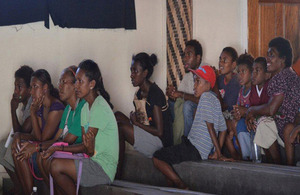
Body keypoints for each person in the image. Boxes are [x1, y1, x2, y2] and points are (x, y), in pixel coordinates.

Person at [44, 59, 118, 194]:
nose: (76, 86)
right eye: (75, 81)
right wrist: (58, 148)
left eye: (80, 81)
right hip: (90, 159)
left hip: (103, 168)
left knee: (55, 165)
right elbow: (87, 148)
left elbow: (87, 148)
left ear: (92, 84)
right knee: (51, 162)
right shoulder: (84, 108)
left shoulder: (99, 107)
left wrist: (59, 147)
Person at [153, 65, 230, 189]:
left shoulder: (205, 97)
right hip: (197, 149)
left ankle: (181, 185)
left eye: (198, 81)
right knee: (167, 158)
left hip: (194, 148)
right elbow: (223, 129)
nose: (194, 85)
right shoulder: (215, 100)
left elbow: (210, 127)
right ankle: (172, 188)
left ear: (208, 84)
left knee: (157, 158)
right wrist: (216, 152)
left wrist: (219, 154)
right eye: (194, 80)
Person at [115, 52, 173, 178]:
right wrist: (137, 121)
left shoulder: (155, 94)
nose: (131, 75)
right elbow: (146, 120)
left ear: (145, 73)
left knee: (121, 129)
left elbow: (159, 132)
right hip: (148, 134)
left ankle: (117, 173)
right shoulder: (140, 93)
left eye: (135, 71)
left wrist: (135, 124)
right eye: (131, 70)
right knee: (117, 115)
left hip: (161, 143)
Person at [246, 37, 300, 164]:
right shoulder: (287, 75)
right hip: (285, 126)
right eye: (267, 54)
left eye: (272, 55)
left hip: (290, 130)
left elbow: (271, 109)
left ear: (283, 59)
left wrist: (251, 110)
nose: (267, 59)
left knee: (264, 122)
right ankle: (275, 164)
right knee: (263, 122)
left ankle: (282, 165)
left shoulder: (282, 77)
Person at [12, 69, 65, 195]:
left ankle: (29, 192)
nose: (31, 91)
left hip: (50, 150)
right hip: (42, 147)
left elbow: (42, 139)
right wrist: (18, 136)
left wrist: (33, 114)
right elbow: (36, 135)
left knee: (22, 152)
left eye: (35, 87)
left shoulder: (56, 108)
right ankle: (28, 192)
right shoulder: (41, 106)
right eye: (31, 87)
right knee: (16, 149)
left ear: (45, 88)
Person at [36, 66, 86, 186]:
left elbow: (67, 141)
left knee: (47, 159)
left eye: (64, 82)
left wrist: (38, 147)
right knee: (40, 158)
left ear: (75, 85)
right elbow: (57, 139)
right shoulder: (68, 109)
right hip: (67, 150)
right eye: (60, 82)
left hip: (81, 154)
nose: (59, 86)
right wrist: (40, 147)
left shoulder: (82, 107)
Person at [0, 65, 33, 194]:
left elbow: (21, 133)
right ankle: (18, 185)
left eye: (19, 87)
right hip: (22, 139)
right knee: (1, 147)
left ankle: (22, 188)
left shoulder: (32, 105)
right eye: (15, 86)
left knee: (10, 151)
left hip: (30, 142)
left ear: (30, 89)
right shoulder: (25, 105)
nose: (15, 91)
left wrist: (12, 111)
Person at [166, 40, 202, 143]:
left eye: (189, 55)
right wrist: (172, 93)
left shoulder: (204, 71)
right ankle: (174, 142)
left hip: (201, 108)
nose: (185, 58)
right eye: (184, 55)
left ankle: (186, 142)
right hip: (189, 106)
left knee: (187, 106)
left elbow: (202, 100)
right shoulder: (188, 76)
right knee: (171, 104)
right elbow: (178, 96)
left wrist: (180, 94)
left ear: (198, 58)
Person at [229, 54, 254, 160]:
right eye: (238, 72)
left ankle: (247, 157)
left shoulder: (254, 89)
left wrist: (244, 113)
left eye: (243, 71)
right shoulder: (241, 91)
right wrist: (236, 114)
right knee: (231, 124)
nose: (240, 75)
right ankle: (241, 155)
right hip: (241, 123)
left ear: (252, 72)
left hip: (250, 124)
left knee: (239, 124)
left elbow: (256, 109)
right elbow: (238, 108)